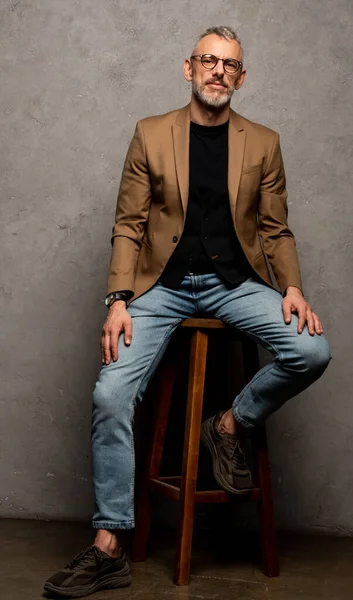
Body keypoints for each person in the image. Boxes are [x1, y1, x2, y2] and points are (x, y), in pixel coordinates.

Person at [44, 25, 331, 598]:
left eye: (230, 64)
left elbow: (275, 230)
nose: (219, 71)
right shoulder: (150, 134)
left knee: (311, 350)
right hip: (162, 288)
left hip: (235, 285)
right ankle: (108, 546)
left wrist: (292, 288)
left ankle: (229, 423)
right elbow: (128, 226)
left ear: (241, 77)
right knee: (109, 394)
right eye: (209, 61)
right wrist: (119, 300)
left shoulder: (264, 142)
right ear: (189, 68)